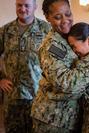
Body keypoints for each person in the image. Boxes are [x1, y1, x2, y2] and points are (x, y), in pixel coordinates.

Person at [31, 0, 89, 132]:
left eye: (68, 14)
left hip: (73, 116)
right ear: (47, 17)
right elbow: (65, 83)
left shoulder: (71, 37)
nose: (65, 20)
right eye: (58, 17)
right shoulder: (51, 46)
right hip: (53, 119)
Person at [0, 0, 51, 132]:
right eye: (19, 5)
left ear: (34, 7)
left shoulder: (47, 30)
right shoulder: (5, 31)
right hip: (12, 98)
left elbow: (57, 60)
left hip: (38, 97)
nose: (22, 9)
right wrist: (0, 78)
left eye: (26, 5)